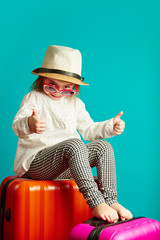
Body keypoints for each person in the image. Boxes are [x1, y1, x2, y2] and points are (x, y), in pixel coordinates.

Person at [12, 45, 133, 223]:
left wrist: (110, 126)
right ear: (41, 79)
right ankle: (96, 202)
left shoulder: (75, 104)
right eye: (52, 86)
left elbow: (89, 130)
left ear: (75, 87)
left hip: (64, 164)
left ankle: (111, 200)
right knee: (74, 144)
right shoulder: (34, 98)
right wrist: (30, 123)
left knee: (103, 147)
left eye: (67, 88)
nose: (59, 92)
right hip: (36, 164)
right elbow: (17, 126)